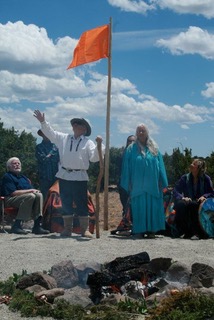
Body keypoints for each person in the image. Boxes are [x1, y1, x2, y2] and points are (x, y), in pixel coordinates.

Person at [33, 109, 105, 238]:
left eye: (78, 124)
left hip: (80, 176)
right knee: (65, 202)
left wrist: (100, 146)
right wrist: (43, 122)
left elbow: (94, 158)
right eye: (75, 123)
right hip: (65, 175)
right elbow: (50, 133)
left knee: (81, 202)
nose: (75, 125)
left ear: (84, 129)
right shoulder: (63, 138)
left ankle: (84, 229)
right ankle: (67, 229)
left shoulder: (88, 142)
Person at [120, 123, 168, 238]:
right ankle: (140, 229)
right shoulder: (131, 149)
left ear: (147, 133)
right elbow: (126, 167)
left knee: (153, 207)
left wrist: (162, 181)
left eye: (143, 131)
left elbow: (160, 165)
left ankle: (151, 230)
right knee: (139, 207)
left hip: (153, 184)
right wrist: (128, 182)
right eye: (139, 131)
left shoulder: (154, 148)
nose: (141, 133)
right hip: (137, 185)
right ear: (136, 133)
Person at [1, 157, 50, 235]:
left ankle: (37, 226)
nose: (17, 165)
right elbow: (13, 193)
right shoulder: (7, 176)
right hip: (9, 200)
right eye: (14, 163)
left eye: (18, 163)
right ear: (9, 167)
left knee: (39, 195)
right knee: (31, 196)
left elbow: (32, 191)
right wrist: (30, 191)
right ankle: (16, 226)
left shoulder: (23, 177)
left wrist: (35, 191)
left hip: (25, 199)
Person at [173, 158, 214, 239]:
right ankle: (185, 231)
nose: (191, 165)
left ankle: (198, 232)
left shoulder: (206, 179)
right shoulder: (185, 178)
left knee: (193, 205)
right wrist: (182, 197)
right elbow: (176, 190)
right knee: (180, 205)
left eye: (194, 164)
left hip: (201, 202)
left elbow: (211, 192)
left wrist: (204, 196)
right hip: (188, 199)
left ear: (199, 168)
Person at [35, 129, 60, 200]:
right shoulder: (39, 147)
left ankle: (55, 211)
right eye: (45, 133)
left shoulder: (56, 147)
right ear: (42, 135)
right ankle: (44, 210)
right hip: (44, 176)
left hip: (55, 175)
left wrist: (49, 156)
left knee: (56, 196)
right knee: (45, 196)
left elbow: (58, 159)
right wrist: (52, 154)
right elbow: (42, 159)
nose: (47, 135)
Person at [118, 135, 136, 216]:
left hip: (136, 183)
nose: (131, 142)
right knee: (125, 202)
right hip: (123, 182)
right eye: (129, 141)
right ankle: (126, 217)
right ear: (127, 142)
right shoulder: (122, 154)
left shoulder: (140, 154)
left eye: (133, 141)